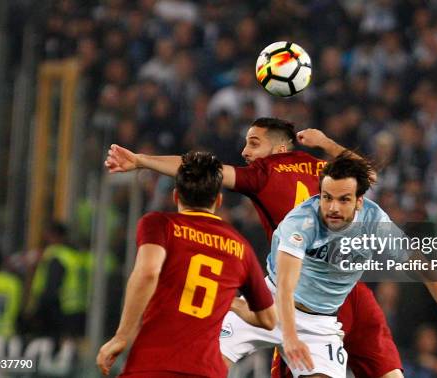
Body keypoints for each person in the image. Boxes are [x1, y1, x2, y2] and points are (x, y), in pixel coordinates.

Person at [105, 117, 405, 377]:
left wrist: (142, 160)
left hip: (295, 292)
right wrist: (325, 142)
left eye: (253, 143)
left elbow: (198, 169)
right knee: (386, 370)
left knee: (208, 356)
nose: (245, 152)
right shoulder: (322, 168)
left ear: (279, 149)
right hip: (342, 291)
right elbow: (369, 174)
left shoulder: (264, 174)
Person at [220, 153, 437, 377]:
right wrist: (289, 338)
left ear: (360, 201)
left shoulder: (375, 223)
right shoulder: (300, 222)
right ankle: (234, 304)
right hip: (269, 305)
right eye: (327, 197)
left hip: (319, 324)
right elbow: (287, 288)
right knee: (208, 364)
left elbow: (427, 271)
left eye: (343, 199)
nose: (332, 207)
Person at [96, 151, 276, 377]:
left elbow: (148, 272)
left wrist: (122, 336)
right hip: (207, 370)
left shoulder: (160, 224)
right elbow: (269, 319)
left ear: (175, 196)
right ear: (218, 201)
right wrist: (227, 302)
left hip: (154, 365)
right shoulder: (240, 246)